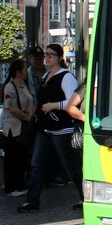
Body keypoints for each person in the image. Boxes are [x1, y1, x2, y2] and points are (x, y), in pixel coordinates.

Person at [18, 44, 83, 212]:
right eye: (46, 54)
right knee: (36, 163)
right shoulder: (47, 75)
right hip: (45, 128)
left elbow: (73, 101)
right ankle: (32, 201)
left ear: (60, 58)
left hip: (61, 128)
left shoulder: (66, 77)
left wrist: (53, 105)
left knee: (70, 165)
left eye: (50, 55)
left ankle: (85, 198)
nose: (46, 57)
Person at [1, 59, 36, 197]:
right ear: (18, 72)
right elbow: (11, 108)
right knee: (12, 158)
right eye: (24, 69)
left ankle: (20, 184)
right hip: (13, 128)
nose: (26, 72)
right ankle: (11, 187)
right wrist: (27, 117)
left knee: (22, 157)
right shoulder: (10, 87)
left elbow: (30, 101)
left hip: (24, 127)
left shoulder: (23, 85)